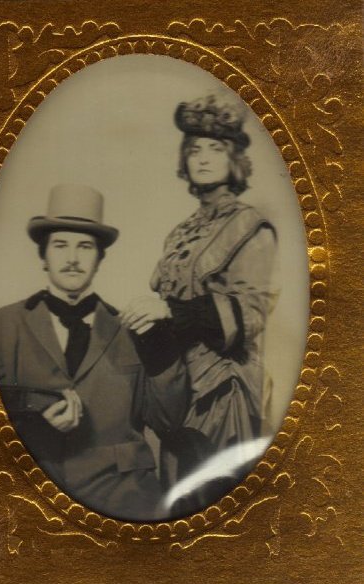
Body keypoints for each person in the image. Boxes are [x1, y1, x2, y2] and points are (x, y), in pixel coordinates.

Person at [0, 184, 188, 521]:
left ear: (99, 258)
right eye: (60, 245)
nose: (73, 259)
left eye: (85, 246)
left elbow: (169, 421)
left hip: (127, 501)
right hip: (29, 504)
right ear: (43, 256)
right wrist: (36, 429)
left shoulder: (134, 329)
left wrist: (161, 340)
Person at [121, 94, 278, 512]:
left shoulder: (251, 226)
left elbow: (252, 313)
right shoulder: (179, 233)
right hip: (175, 383)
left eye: (215, 148)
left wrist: (169, 312)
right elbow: (166, 307)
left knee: (213, 504)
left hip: (222, 389)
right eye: (195, 149)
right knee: (174, 497)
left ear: (234, 158)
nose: (203, 158)